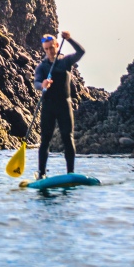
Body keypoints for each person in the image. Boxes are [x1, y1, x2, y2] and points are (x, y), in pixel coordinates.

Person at [34, 30, 85, 179]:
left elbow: (81, 52)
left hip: (64, 105)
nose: (49, 51)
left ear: (57, 45)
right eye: (46, 49)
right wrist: (42, 85)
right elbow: (36, 82)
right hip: (48, 106)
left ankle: (70, 172)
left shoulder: (65, 61)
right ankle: (42, 173)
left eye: (52, 47)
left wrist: (69, 39)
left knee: (67, 138)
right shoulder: (42, 67)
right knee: (45, 140)